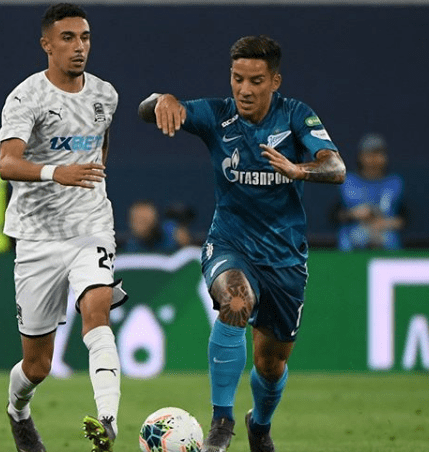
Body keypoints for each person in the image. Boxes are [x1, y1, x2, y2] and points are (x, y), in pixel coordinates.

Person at [138, 35, 346, 452]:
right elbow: (147, 109)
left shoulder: (296, 116)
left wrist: (299, 170)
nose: (244, 89)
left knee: (271, 365)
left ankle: (259, 425)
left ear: (275, 81)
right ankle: (222, 420)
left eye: (255, 80)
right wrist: (165, 99)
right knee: (235, 301)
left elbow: (336, 167)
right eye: (237, 78)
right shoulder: (217, 115)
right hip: (229, 243)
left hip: (284, 258)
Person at [0, 4, 126, 452]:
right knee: (38, 366)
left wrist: (87, 184)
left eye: (85, 37)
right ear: (47, 45)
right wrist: (57, 173)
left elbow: (101, 146)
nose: (79, 46)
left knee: (97, 311)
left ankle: (108, 419)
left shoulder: (106, 95)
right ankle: (18, 411)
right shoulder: (26, 97)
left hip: (91, 226)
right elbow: (6, 163)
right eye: (68, 38)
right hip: (36, 237)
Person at [333, 133, 406, 251]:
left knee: (388, 239)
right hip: (354, 234)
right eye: (369, 154)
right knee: (352, 238)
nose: (373, 159)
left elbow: (404, 217)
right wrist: (353, 214)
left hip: (386, 234)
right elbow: (335, 215)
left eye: (378, 154)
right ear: (360, 157)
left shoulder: (394, 183)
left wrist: (385, 223)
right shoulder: (348, 181)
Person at [121, 199, 191, 253]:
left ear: (155, 220)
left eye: (144, 220)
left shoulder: (171, 233)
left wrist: (184, 243)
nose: (141, 226)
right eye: (136, 220)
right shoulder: (128, 247)